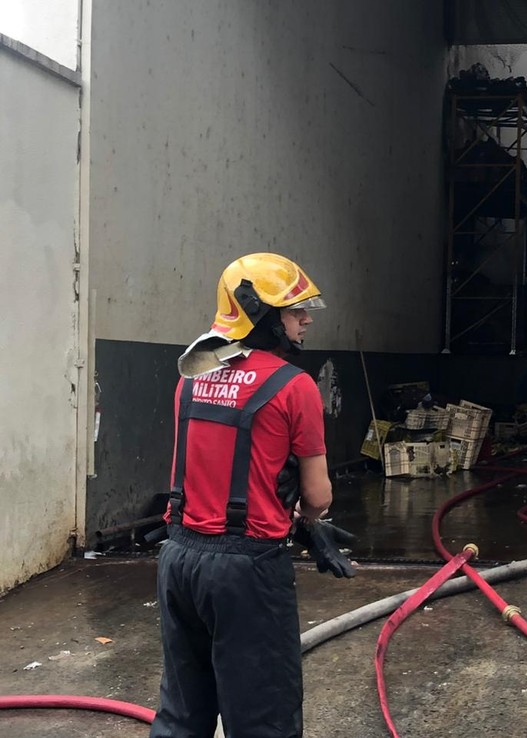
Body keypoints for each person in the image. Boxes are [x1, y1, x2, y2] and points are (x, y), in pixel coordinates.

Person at [150, 253, 333, 738]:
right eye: (295, 310)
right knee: (263, 718)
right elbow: (316, 495)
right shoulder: (296, 388)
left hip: (179, 558)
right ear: (262, 315)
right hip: (247, 570)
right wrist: (308, 521)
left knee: (182, 712)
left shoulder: (191, 377)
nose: (307, 318)